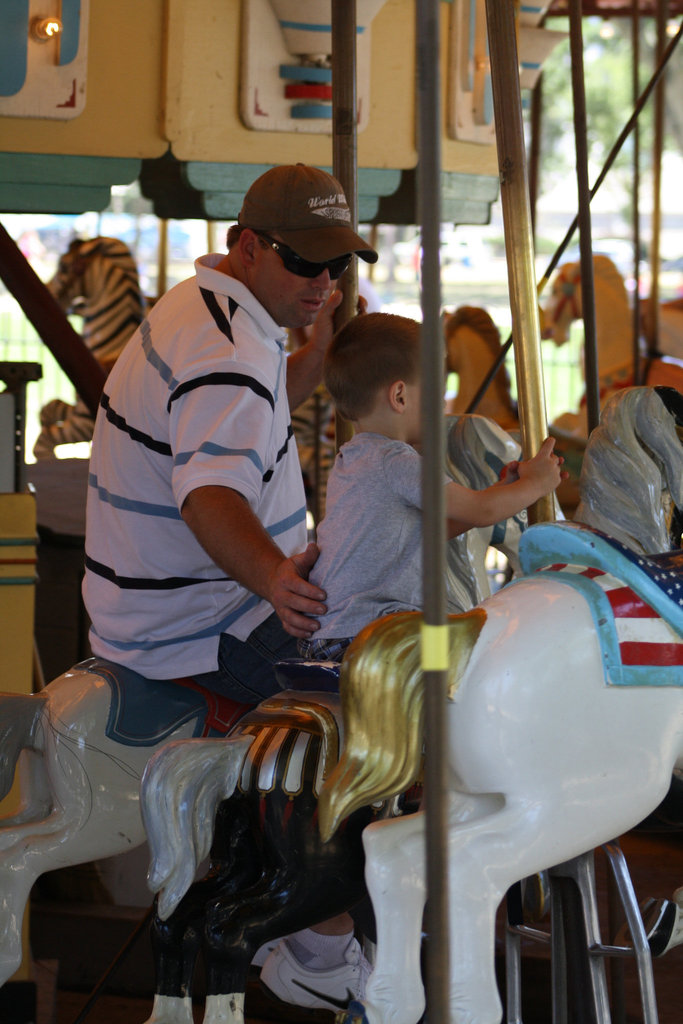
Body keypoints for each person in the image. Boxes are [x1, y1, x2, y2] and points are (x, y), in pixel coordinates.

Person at [82, 164, 378, 1011]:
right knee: (373, 707)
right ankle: (316, 946)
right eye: (302, 263)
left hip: (143, 599)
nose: (322, 284)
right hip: (204, 616)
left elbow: (234, 417)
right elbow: (209, 494)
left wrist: (310, 361)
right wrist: (276, 580)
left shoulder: (204, 306)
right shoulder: (230, 351)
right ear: (247, 246)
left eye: (338, 268)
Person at [298, 311, 566, 662]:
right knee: (481, 650)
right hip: (374, 639)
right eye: (437, 392)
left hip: (329, 635)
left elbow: (427, 531)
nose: (442, 405)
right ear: (400, 396)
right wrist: (536, 483)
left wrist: (503, 489)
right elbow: (482, 510)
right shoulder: (397, 461)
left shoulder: (352, 459)